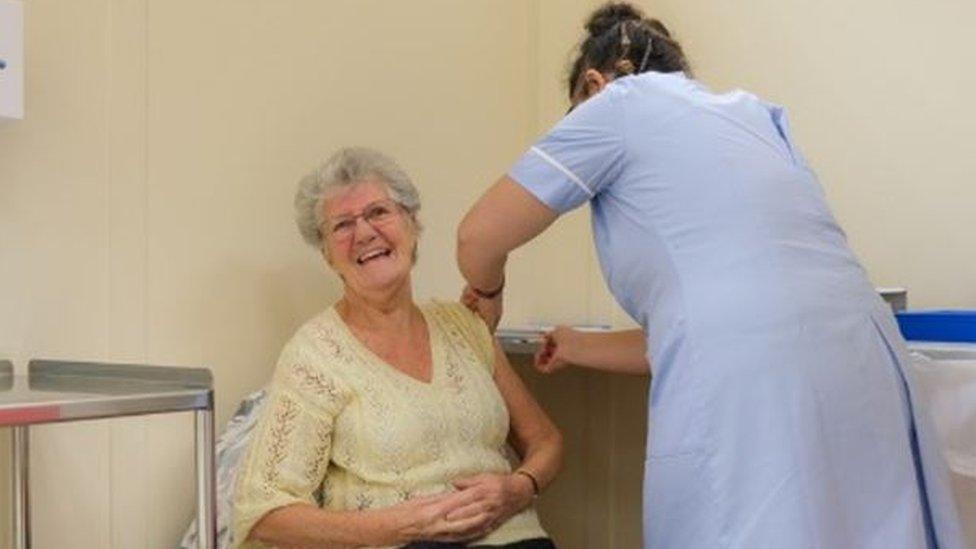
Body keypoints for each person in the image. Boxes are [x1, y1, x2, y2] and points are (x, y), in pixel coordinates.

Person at [456, 3, 965, 548]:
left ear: (593, 81)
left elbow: (478, 238)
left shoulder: (617, 103)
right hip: (862, 355)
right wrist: (577, 345)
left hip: (754, 383)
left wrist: (487, 289)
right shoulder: (756, 119)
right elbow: (707, 331)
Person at [233, 147, 562, 549]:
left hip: (515, 538)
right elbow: (264, 513)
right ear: (327, 255)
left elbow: (545, 440)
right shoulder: (314, 356)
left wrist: (519, 488)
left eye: (378, 213)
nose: (364, 233)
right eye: (342, 225)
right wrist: (397, 526)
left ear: (413, 225)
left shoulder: (465, 325)